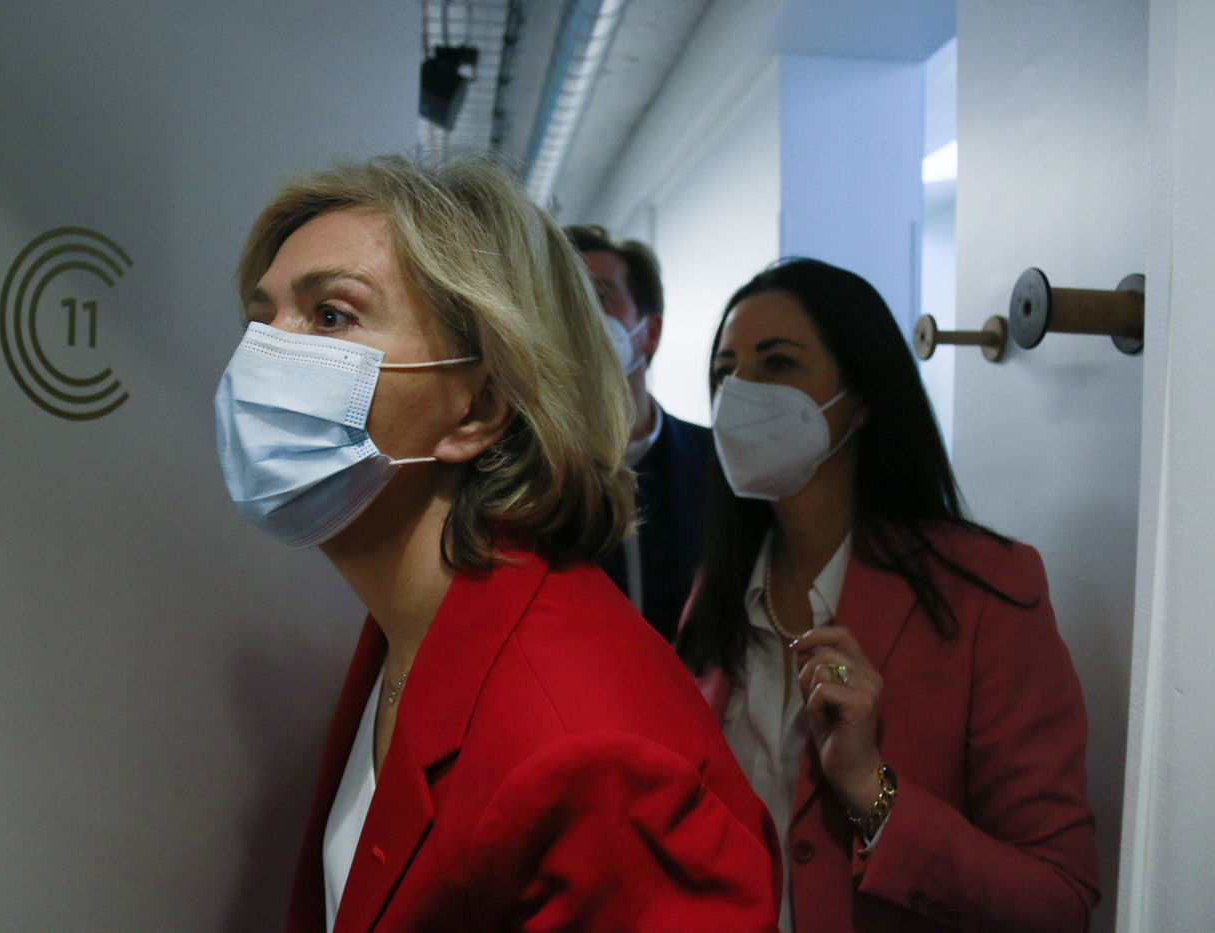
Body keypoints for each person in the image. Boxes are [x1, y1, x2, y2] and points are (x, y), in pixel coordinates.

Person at [215, 155, 781, 933]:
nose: (265, 361)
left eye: (332, 316)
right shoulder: (413, 623)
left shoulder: (590, 748)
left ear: (479, 406)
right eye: (261, 320)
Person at [677, 258, 1099, 932]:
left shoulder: (988, 589)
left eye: (778, 364)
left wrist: (872, 790)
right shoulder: (716, 591)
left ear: (863, 397)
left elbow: (1057, 899)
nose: (740, 394)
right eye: (725, 373)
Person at [564, 225, 713, 640]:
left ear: (651, 331)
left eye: (599, 298)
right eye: (564, 300)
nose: (578, 316)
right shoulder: (527, 474)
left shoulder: (717, 464)